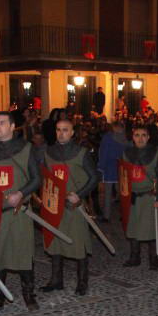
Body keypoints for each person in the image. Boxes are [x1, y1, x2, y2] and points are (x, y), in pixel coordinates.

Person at [0, 111, 42, 312]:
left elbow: (36, 179)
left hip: (19, 211)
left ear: (12, 126)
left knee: (23, 251)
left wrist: (21, 193)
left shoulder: (26, 148)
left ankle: (28, 295)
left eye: (2, 123)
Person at [40, 118, 100, 295]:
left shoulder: (81, 153)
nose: (61, 133)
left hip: (74, 206)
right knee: (55, 243)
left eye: (65, 130)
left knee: (79, 244)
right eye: (58, 130)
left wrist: (79, 195)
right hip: (55, 205)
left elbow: (94, 177)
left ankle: (83, 281)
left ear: (72, 132)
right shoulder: (49, 153)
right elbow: (45, 178)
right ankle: (56, 280)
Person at [121, 124, 158, 269]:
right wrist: (123, 196)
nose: (140, 138)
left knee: (151, 229)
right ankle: (135, 257)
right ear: (132, 137)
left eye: (143, 135)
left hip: (149, 196)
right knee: (133, 227)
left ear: (148, 137)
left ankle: (153, 258)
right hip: (132, 197)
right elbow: (123, 176)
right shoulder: (126, 153)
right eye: (137, 135)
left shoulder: (156, 153)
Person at [96, 120, 127, 222]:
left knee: (108, 193)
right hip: (121, 168)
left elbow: (103, 153)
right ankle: (124, 214)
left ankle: (107, 216)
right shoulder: (125, 138)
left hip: (109, 168)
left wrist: (101, 167)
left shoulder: (108, 138)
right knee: (122, 193)